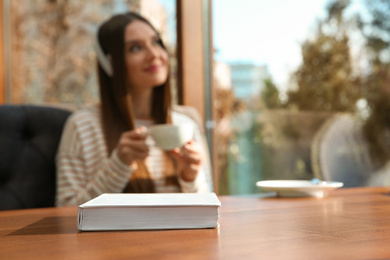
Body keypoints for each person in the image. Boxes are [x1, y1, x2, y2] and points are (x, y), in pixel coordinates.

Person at [55, 12, 212, 207]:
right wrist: (119, 164)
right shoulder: (82, 126)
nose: (154, 54)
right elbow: (65, 213)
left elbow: (208, 210)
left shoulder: (185, 125)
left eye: (156, 42)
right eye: (135, 48)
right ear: (110, 64)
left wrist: (191, 177)